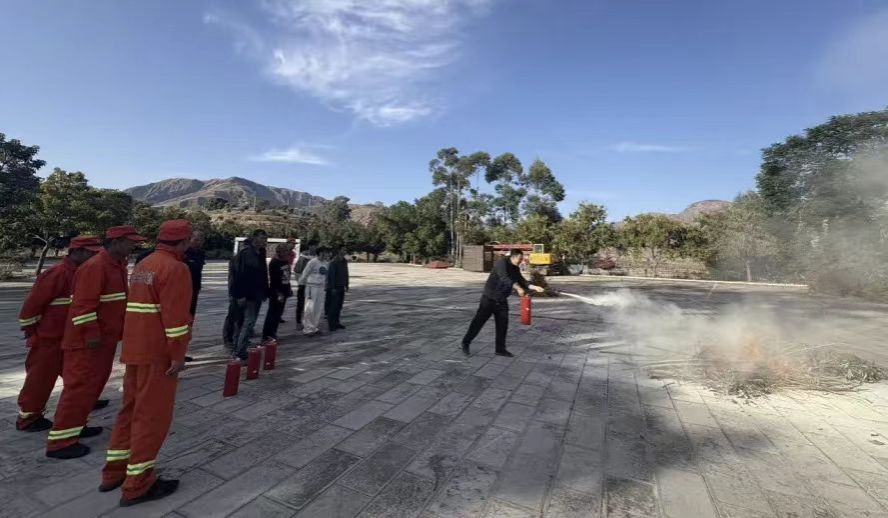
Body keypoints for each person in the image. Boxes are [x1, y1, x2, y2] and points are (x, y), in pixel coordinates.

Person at [99, 220, 193, 506]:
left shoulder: (144, 264)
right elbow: (176, 321)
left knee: (130, 410)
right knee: (151, 417)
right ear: (185, 241)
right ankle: (137, 484)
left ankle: (114, 472)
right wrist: (178, 356)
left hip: (135, 350)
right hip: (157, 354)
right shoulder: (176, 269)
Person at [47, 225, 146, 459]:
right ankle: (60, 443)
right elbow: (82, 307)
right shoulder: (96, 266)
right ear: (117, 241)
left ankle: (77, 427)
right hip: (88, 343)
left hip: (104, 340)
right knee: (78, 389)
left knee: (91, 388)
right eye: (131, 242)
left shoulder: (116, 265)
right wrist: (91, 335)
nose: (134, 246)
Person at [16, 236, 103, 432]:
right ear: (77, 252)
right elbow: (32, 305)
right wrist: (31, 330)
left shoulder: (82, 272)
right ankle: (28, 419)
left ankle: (78, 414)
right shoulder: (57, 273)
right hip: (49, 339)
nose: (94, 257)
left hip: (71, 337)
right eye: (91, 253)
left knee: (79, 379)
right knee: (40, 380)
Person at [461, 249, 544, 358]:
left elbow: (522, 281)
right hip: (489, 299)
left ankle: (500, 349)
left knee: (502, 325)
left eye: (522, 260)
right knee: (478, 322)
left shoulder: (515, 268)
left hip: (502, 300)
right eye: (519, 259)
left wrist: (534, 287)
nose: (521, 262)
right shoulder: (502, 263)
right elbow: (505, 278)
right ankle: (466, 343)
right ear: (513, 257)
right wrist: (518, 288)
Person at [136, 231, 204, 362]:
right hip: (163, 306)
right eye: (193, 239)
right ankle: (175, 352)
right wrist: (176, 356)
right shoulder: (175, 264)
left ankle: (177, 351)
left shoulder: (145, 262)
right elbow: (175, 318)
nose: (198, 242)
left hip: (187, 294)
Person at [223, 230, 268, 360]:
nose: (264, 241)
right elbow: (238, 276)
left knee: (246, 323)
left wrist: (265, 291)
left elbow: (263, 274)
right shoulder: (245, 254)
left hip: (257, 293)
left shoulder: (261, 253)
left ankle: (238, 348)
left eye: (265, 238)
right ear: (254, 238)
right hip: (247, 295)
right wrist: (239, 295)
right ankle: (239, 351)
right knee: (246, 323)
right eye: (261, 238)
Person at [262, 243, 293, 342]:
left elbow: (287, 276)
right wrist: (278, 293)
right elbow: (274, 280)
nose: (287, 253)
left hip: (285, 289)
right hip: (277, 291)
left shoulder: (285, 261)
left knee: (278, 314)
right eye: (285, 251)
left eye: (287, 251)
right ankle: (267, 335)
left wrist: (289, 289)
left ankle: (273, 333)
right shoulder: (274, 262)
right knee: (272, 313)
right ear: (279, 252)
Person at [299, 247, 330, 336]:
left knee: (318, 308)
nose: (327, 255)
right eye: (325, 252)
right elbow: (305, 273)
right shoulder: (313, 262)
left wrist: (326, 284)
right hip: (311, 287)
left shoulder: (326, 263)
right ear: (321, 253)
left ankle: (314, 327)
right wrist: (301, 283)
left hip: (321, 287)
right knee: (310, 308)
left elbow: (325, 276)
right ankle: (307, 329)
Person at [326, 246, 349, 331]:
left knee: (339, 306)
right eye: (343, 249)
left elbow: (346, 273)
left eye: (345, 250)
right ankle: (331, 324)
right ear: (339, 250)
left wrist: (347, 284)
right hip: (335, 287)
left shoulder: (344, 261)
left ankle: (336, 322)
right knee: (333, 306)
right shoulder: (334, 261)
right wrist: (332, 287)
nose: (345, 251)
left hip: (341, 286)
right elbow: (331, 275)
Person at [293, 244, 316, 330]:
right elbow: (297, 272)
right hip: (303, 285)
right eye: (308, 249)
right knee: (301, 304)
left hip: (310, 285)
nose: (309, 251)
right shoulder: (302, 259)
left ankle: (307, 321)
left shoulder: (311, 258)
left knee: (308, 305)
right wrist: (301, 282)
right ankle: (298, 322)